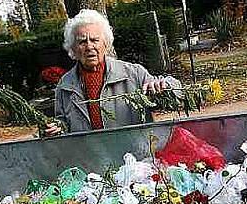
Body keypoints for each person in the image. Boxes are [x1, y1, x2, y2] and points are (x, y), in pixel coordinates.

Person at [45, 9, 181, 135]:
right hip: (88, 157)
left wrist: (165, 87)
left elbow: (177, 92)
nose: (89, 46)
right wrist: (57, 127)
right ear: (73, 48)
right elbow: (62, 122)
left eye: (94, 40)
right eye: (82, 42)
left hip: (134, 156)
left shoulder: (132, 74)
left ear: (106, 43)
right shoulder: (65, 85)